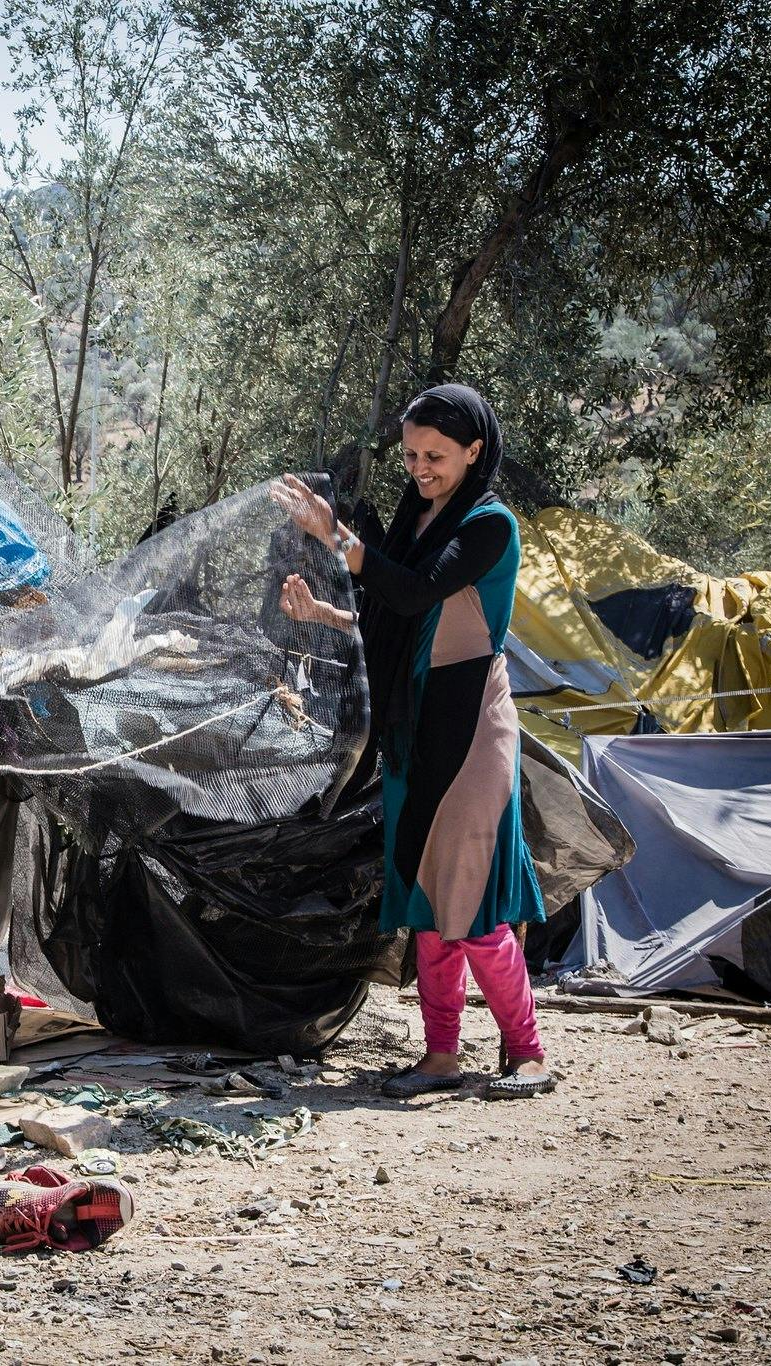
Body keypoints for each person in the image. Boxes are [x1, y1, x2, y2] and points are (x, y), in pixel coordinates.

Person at [269, 384, 554, 1101]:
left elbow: (418, 590)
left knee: (472, 900)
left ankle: (527, 1053)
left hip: (468, 729)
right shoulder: (417, 516)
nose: (420, 468)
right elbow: (386, 611)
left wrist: (335, 533)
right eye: (410, 455)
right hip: (413, 726)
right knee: (428, 900)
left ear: (474, 452)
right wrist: (326, 615)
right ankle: (441, 1056)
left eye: (435, 456)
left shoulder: (490, 526)